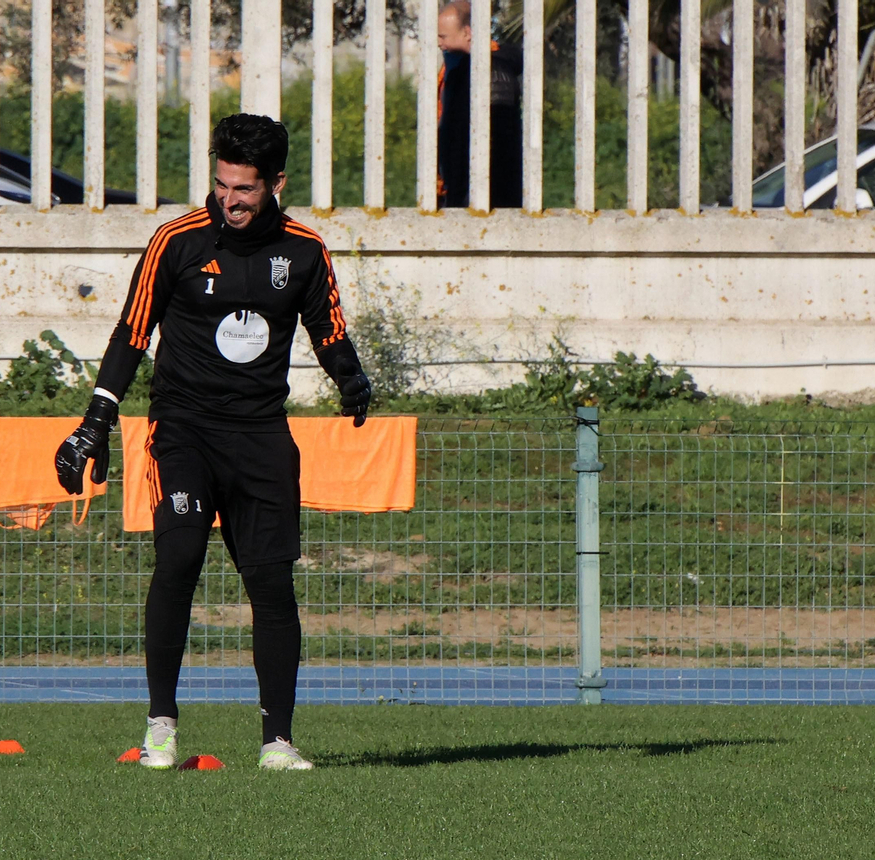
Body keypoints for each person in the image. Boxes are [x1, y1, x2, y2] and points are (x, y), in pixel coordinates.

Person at [55, 114, 371, 772]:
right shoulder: (177, 241)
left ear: (276, 184)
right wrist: (96, 420)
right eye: (222, 184)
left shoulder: (305, 252)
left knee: (273, 587)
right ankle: (161, 727)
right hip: (184, 431)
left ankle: (278, 743)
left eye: (245, 189)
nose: (230, 199)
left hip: (260, 436)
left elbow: (328, 327)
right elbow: (131, 333)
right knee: (179, 560)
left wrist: (351, 377)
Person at [436, 0, 524, 209]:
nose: (439, 42)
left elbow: (498, 143)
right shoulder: (457, 66)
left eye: (443, 36)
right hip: (460, 187)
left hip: (486, 195)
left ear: (467, 32)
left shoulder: (493, 71)